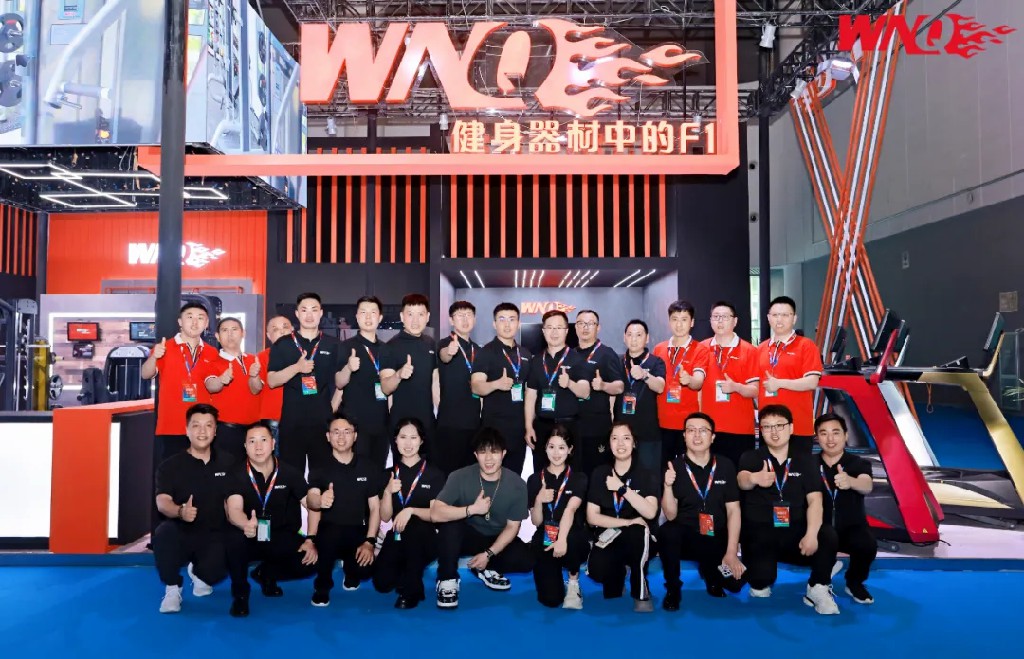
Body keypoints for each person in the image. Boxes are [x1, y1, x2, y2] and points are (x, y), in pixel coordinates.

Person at [737, 404, 840, 615]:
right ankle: (762, 576)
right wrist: (754, 478)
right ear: (761, 430)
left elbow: (815, 500)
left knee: (826, 535)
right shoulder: (751, 457)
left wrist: (811, 535)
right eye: (767, 427)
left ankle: (818, 586)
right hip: (761, 533)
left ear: (791, 428)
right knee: (760, 584)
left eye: (779, 425)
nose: (774, 432)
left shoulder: (806, 460)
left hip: (795, 532)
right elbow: (742, 480)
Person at [431, 427, 534, 608]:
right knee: (450, 525)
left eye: (494, 452)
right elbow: (436, 513)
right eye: (483, 452)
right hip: (468, 535)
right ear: (475, 455)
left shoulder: (517, 484)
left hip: (496, 537)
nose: (488, 458)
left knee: (526, 560)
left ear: (503, 454)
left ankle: (486, 566)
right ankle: (447, 579)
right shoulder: (459, 476)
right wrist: (471, 510)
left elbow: (513, 527)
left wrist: (489, 553)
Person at [224, 422, 318, 617]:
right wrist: (245, 524)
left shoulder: (290, 472)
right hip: (248, 533)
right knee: (233, 542)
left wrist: (310, 539)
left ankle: (266, 574)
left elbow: (312, 506)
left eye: (263, 440)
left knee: (311, 560)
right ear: (245, 446)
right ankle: (240, 596)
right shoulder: (235, 473)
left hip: (279, 534)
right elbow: (234, 509)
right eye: (252, 441)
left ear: (273, 443)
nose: (258, 447)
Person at [152, 403, 234, 613]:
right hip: (182, 531)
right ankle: (172, 589)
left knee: (229, 554)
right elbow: (162, 502)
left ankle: (199, 573)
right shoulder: (170, 466)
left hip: (215, 532)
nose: (202, 431)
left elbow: (236, 500)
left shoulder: (229, 463)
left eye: (208, 425)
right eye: (196, 425)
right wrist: (180, 511)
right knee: (163, 533)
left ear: (215, 431)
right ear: (187, 430)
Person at [658, 412, 744, 611]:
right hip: (686, 536)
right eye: (691, 430)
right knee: (667, 532)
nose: (697, 435)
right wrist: (667, 487)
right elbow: (670, 515)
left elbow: (733, 510)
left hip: (715, 536)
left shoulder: (725, 465)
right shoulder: (674, 466)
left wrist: (732, 552)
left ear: (712, 436)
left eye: (703, 430)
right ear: (684, 436)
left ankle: (711, 574)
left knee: (735, 584)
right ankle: (673, 588)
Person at [305, 414, 383, 606]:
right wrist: (319, 501)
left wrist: (370, 541)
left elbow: (375, 507)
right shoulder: (319, 468)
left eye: (347, 432)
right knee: (328, 538)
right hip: (329, 530)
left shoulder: (368, 467)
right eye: (336, 432)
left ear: (355, 436)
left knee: (365, 570)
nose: (341, 437)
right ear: (328, 436)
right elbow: (311, 499)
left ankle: (351, 570)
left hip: (357, 530)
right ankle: (322, 586)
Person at [586, 421, 660, 612]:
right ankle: (621, 571)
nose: (620, 443)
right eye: (615, 438)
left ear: (634, 443)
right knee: (597, 571)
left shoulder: (646, 473)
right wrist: (627, 522)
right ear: (609, 444)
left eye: (626, 438)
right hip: (609, 534)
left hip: (640, 538)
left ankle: (641, 592)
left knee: (637, 532)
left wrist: (622, 488)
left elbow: (650, 512)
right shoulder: (599, 473)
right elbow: (592, 517)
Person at [373, 418, 447, 609]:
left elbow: (436, 515)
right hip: (398, 535)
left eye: (413, 437)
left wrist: (411, 511)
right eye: (403, 437)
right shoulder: (388, 474)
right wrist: (387, 492)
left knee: (414, 527)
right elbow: (385, 516)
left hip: (426, 538)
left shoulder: (434, 474)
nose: (408, 443)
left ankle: (412, 590)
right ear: (395, 440)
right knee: (382, 584)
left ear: (421, 440)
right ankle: (407, 574)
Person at [267, 292, 345, 471]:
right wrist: (297, 368)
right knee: (291, 476)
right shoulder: (283, 344)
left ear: (321, 313)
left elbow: (341, 381)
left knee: (322, 475)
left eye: (314, 310)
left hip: (323, 423)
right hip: (292, 423)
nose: (309, 315)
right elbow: (272, 380)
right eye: (304, 310)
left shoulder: (333, 344)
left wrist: (332, 408)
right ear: (297, 314)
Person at [141, 301, 219, 467]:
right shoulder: (165, 347)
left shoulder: (211, 352)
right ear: (180, 322)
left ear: (206, 323)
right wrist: (154, 357)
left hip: (202, 427)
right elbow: (145, 374)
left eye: (200, 318)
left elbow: (212, 384)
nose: (195, 322)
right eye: (189, 317)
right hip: (172, 424)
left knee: (201, 473)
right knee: (173, 474)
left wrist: (222, 380)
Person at [815, 412, 877, 604]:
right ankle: (819, 579)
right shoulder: (809, 464)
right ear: (817, 437)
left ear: (845, 435)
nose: (830, 439)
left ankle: (854, 582)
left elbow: (867, 485)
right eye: (824, 433)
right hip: (820, 528)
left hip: (851, 527)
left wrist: (851, 481)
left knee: (867, 545)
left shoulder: (858, 463)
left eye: (836, 432)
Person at [527, 425, 589, 609]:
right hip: (546, 535)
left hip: (571, 535)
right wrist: (539, 500)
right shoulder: (534, 479)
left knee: (573, 539)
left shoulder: (578, 478)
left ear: (570, 450)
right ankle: (554, 578)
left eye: (562, 447)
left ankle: (573, 580)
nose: (556, 453)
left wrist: (561, 539)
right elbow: (536, 521)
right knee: (551, 600)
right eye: (551, 447)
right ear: (545, 448)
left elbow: (570, 509)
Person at [525, 310, 591, 472]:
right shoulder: (536, 360)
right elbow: (531, 395)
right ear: (543, 331)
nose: (554, 332)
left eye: (559, 328)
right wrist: (528, 427)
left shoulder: (577, 359)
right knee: (541, 471)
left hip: (569, 426)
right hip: (542, 426)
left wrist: (569, 384)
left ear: (566, 331)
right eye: (550, 328)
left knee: (572, 474)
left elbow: (585, 392)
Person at [471, 303, 533, 474]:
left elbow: (530, 392)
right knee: (492, 475)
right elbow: (476, 386)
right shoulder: (485, 352)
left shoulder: (525, 354)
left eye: (512, 319)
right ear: (494, 324)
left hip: (518, 428)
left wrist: (529, 425)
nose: (507, 324)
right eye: (502, 319)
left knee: (515, 475)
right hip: (494, 427)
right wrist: (496, 384)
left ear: (518, 323)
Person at [757, 296, 824, 453]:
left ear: (794, 318)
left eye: (785, 315)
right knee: (769, 468)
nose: (779, 319)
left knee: (798, 468)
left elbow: (812, 382)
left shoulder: (806, 345)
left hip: (798, 426)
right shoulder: (760, 349)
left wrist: (780, 383)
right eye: (775, 315)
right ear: (768, 318)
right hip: (768, 427)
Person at [700, 301, 760, 467]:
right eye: (716, 317)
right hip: (708, 428)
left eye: (725, 317)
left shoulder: (749, 350)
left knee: (739, 476)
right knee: (711, 477)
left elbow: (755, 390)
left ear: (735, 321)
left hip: (739, 429)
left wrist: (736, 387)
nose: (720, 321)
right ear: (710, 320)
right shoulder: (701, 348)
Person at [381, 293, 438, 461]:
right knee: (402, 471)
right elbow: (385, 388)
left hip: (427, 422)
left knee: (428, 470)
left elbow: (435, 383)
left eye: (420, 314)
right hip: (401, 424)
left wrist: (441, 414)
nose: (415, 320)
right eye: (410, 314)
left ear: (427, 317)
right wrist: (399, 375)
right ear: (402, 317)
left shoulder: (430, 343)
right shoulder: (390, 347)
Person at [335, 296, 391, 467]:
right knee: (356, 471)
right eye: (363, 312)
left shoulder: (387, 348)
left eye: (373, 312)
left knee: (378, 471)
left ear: (380, 317)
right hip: (356, 424)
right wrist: (348, 368)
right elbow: (339, 382)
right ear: (357, 317)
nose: (368, 317)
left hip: (381, 423)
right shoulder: (346, 346)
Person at [653, 300, 710, 469]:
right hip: (661, 422)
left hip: (687, 423)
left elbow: (698, 381)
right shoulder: (659, 349)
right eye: (675, 319)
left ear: (692, 322)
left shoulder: (700, 349)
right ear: (669, 321)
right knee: (664, 469)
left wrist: (689, 380)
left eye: (684, 319)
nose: (679, 324)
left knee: (687, 470)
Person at [573, 310, 625, 475]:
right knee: (575, 473)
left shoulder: (607, 354)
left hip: (597, 426)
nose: (585, 327)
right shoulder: (570, 354)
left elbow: (619, 386)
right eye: (581, 323)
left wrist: (603, 385)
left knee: (598, 473)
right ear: (575, 327)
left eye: (590, 324)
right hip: (573, 425)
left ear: (598, 327)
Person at [204, 317, 263, 461]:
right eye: (225, 330)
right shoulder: (212, 361)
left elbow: (256, 390)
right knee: (226, 470)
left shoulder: (253, 360)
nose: (230, 334)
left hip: (254, 430)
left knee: (253, 471)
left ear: (243, 333)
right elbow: (211, 386)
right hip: (226, 431)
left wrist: (254, 376)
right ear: (218, 336)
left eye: (234, 329)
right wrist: (221, 380)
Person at [436, 301, 482, 474]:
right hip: (451, 423)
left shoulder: (478, 350)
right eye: (460, 315)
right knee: (450, 472)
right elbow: (444, 356)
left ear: (474, 320)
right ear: (451, 320)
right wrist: (450, 351)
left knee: (471, 472)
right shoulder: (444, 343)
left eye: (469, 315)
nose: (465, 319)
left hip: (474, 422)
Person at [614, 320, 666, 473]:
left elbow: (660, 387)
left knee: (649, 475)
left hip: (647, 431)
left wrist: (645, 375)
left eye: (638, 335)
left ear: (647, 338)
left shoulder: (656, 362)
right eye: (630, 335)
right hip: (622, 431)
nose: (634, 339)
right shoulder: (617, 361)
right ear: (624, 337)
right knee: (623, 474)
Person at [257, 315, 294, 441]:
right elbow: (257, 388)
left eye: (285, 327)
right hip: (273, 419)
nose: (282, 332)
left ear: (292, 330)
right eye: (275, 329)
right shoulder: (261, 357)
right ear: (268, 335)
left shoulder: (304, 354)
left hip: (300, 418)